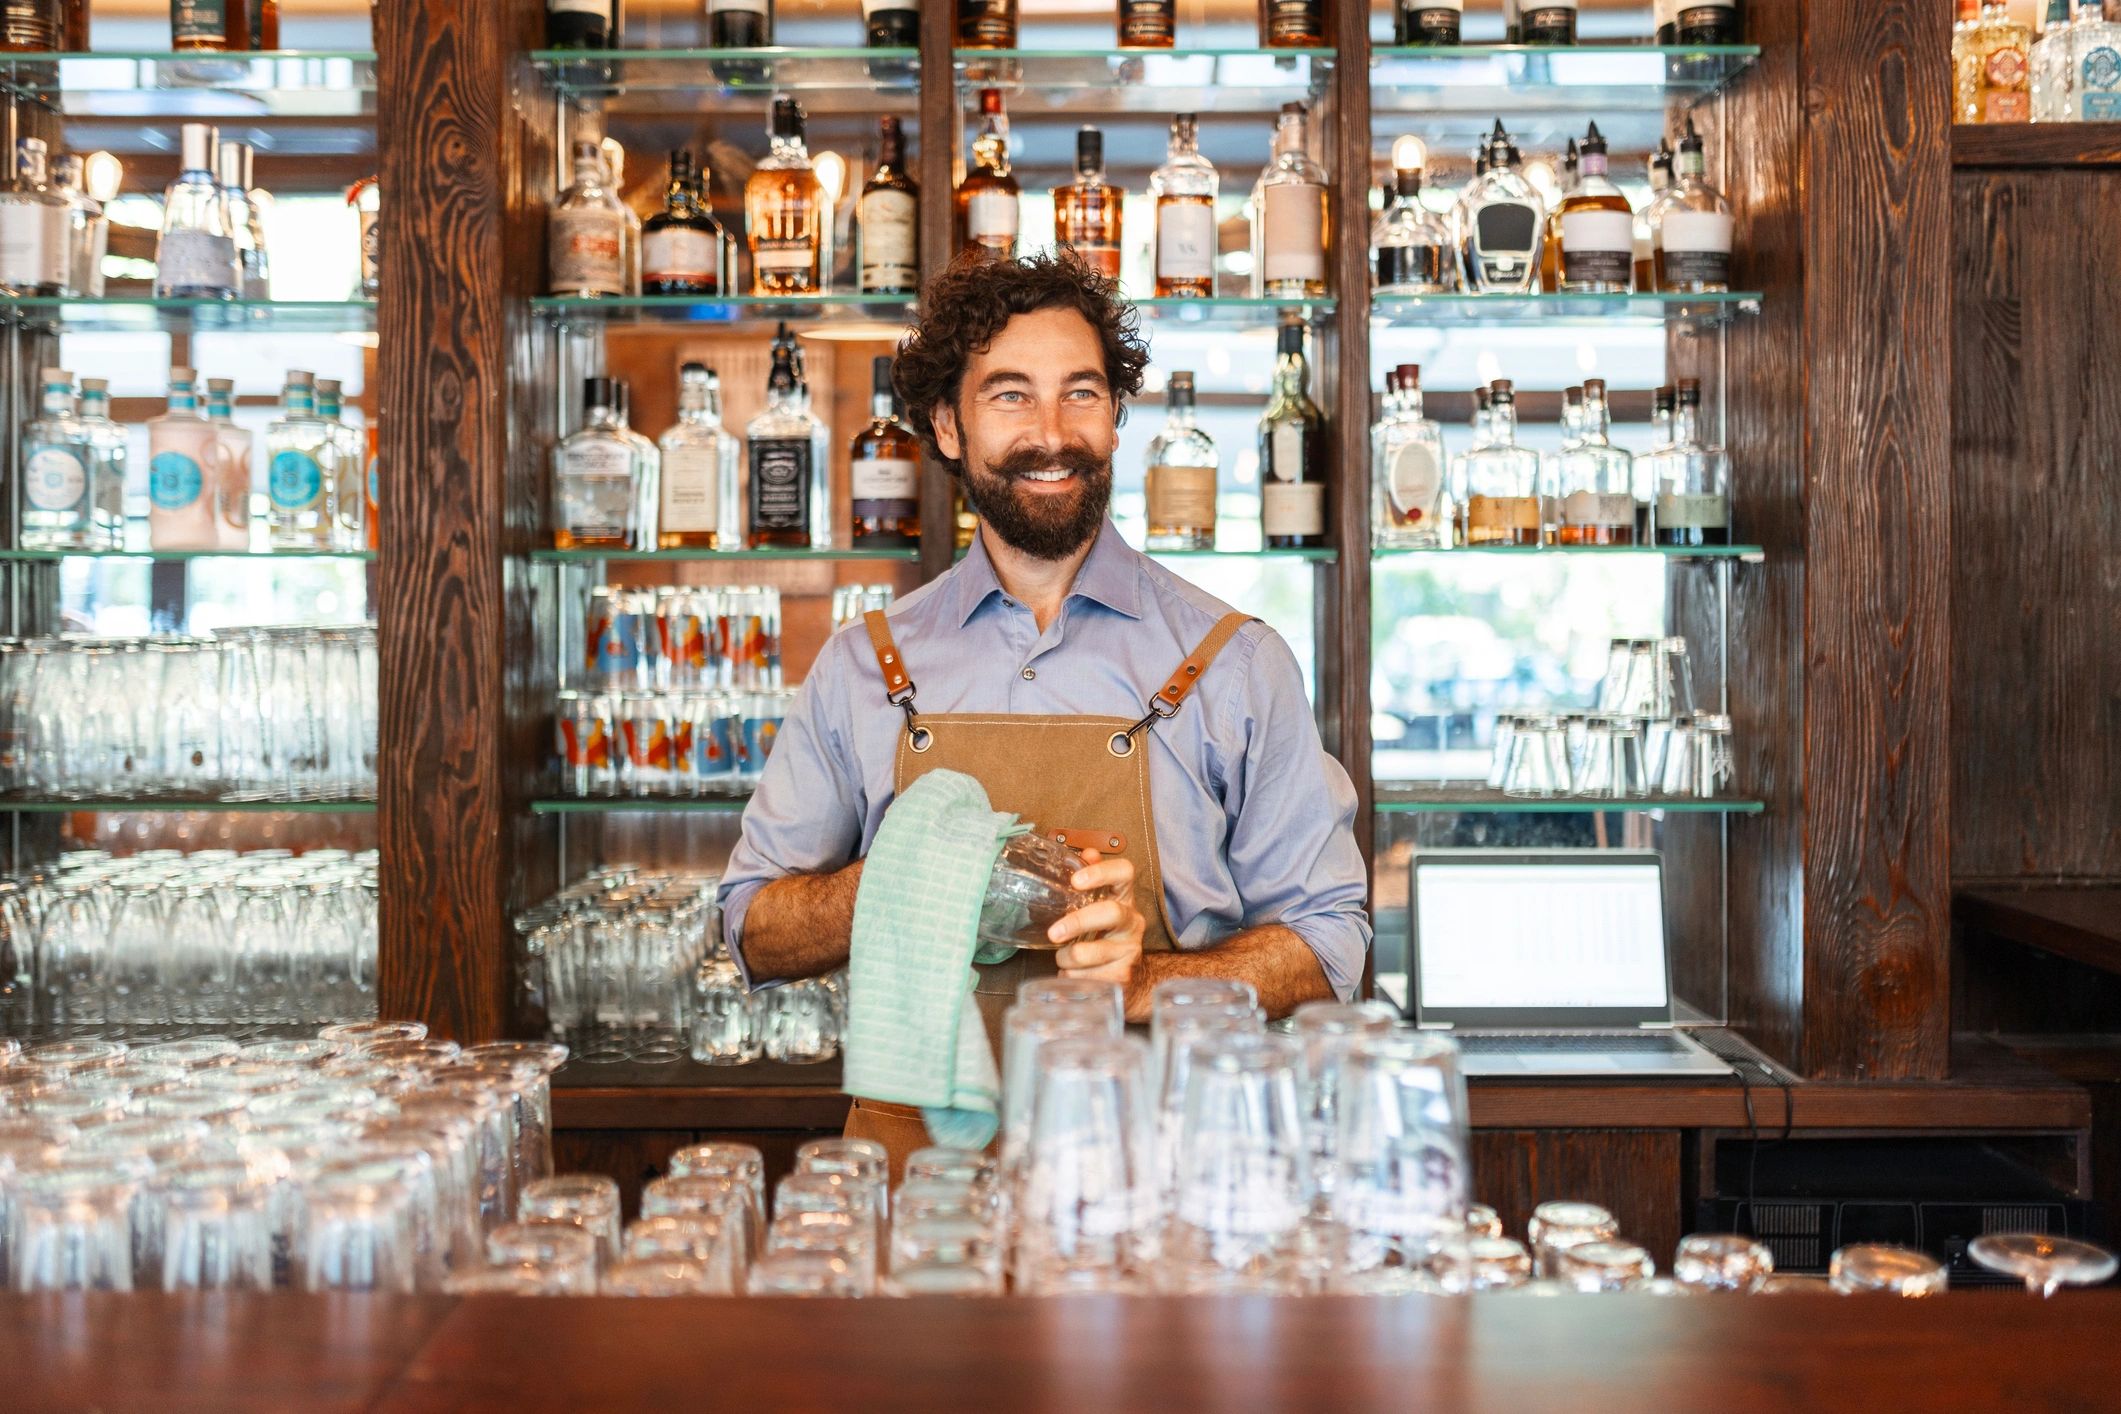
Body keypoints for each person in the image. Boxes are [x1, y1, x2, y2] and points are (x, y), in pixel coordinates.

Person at [717, 253, 1370, 1159]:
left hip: (1160, 1166)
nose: (1053, 434)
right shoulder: (862, 665)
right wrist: (911, 879)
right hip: (923, 1176)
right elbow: (752, 929)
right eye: (1011, 396)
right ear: (948, 426)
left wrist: (1143, 981)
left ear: (1116, 418)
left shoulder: (1236, 663)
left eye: (1082, 394)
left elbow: (1329, 944)